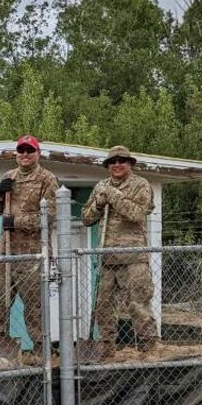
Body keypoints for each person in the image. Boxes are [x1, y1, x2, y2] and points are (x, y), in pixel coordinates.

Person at [0, 135, 58, 360]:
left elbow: (50, 217)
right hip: (5, 250)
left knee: (35, 304)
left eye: (30, 151)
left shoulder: (47, 179)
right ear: (16, 154)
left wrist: (16, 222)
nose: (25, 155)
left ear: (38, 154)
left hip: (32, 253)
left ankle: (40, 348)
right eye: (21, 151)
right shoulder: (8, 176)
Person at [81, 144, 157, 356]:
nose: (117, 165)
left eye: (121, 160)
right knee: (103, 307)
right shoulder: (100, 186)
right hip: (107, 258)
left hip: (133, 258)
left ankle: (149, 350)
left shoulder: (140, 185)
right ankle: (107, 351)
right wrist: (98, 203)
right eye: (113, 162)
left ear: (129, 163)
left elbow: (136, 214)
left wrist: (112, 195)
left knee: (138, 306)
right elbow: (86, 218)